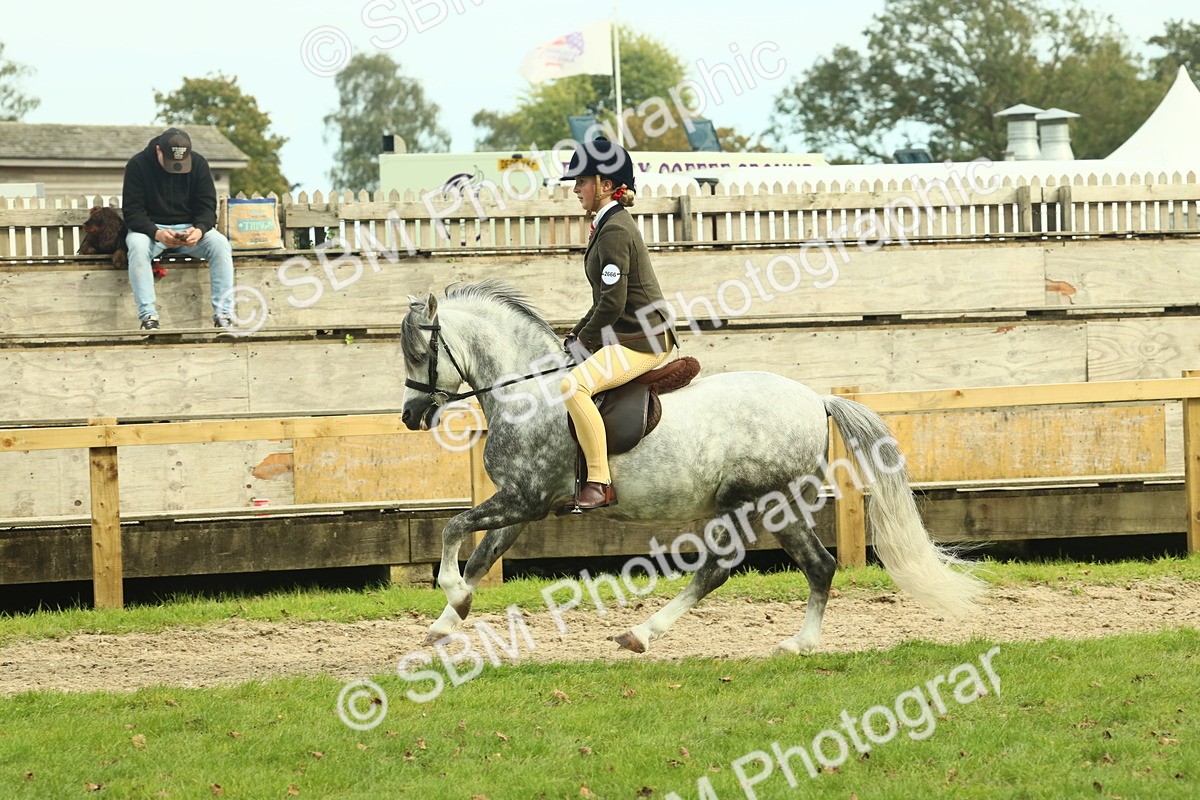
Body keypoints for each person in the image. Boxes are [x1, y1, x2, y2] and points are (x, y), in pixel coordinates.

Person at [559, 137, 677, 512]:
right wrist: (578, 334)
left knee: (572, 386)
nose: (576, 189)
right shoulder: (606, 224)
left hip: (643, 340)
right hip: (626, 334)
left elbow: (612, 303)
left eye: (582, 181)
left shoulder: (615, 230)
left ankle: (599, 482)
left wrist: (586, 339)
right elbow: (603, 302)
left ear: (606, 185)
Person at [122, 127, 234, 331]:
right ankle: (149, 318)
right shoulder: (137, 165)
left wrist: (199, 230)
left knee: (220, 244)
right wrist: (156, 233)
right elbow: (132, 211)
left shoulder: (199, 164)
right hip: (151, 231)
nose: (175, 168)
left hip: (189, 230)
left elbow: (207, 208)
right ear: (158, 150)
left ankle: (224, 316)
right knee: (137, 247)